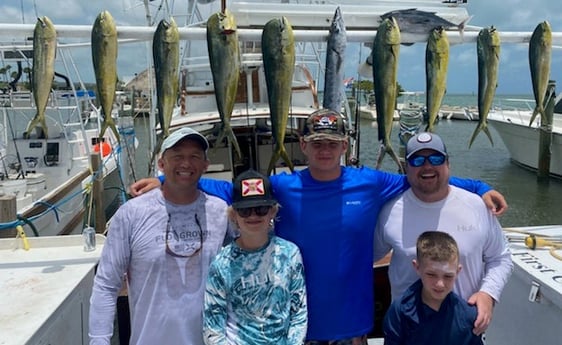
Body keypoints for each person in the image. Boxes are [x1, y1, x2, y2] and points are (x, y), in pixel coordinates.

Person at [130, 109, 507, 344]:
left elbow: (426, 176)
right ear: (303, 146)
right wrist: (165, 182)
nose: (324, 149)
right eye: (316, 142)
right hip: (297, 329)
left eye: (332, 142)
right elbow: (229, 190)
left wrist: (480, 187)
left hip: (353, 328)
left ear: (344, 145)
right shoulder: (283, 186)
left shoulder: (371, 182)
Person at [89, 127, 231, 345]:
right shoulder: (131, 213)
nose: (186, 163)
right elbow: (107, 284)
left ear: (205, 165)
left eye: (194, 156)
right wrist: (99, 341)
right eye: (177, 156)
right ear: (161, 164)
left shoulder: (221, 212)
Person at [374, 132, 513, 337]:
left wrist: (488, 294)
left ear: (448, 163)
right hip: (408, 331)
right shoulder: (389, 210)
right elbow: (365, 259)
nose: (427, 166)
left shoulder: (477, 206)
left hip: (466, 329)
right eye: (418, 160)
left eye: (436, 159)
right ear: (406, 167)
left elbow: (501, 257)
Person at [203, 169, 307, 344]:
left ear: (272, 212)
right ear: (233, 214)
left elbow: (298, 313)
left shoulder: (290, 254)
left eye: (261, 209)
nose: (253, 216)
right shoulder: (221, 264)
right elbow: (213, 325)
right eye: (245, 211)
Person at [383, 231, 484, 345]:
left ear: (457, 272)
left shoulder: (468, 316)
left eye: (448, 276)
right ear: (417, 267)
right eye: (431, 274)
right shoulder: (399, 312)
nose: (440, 284)